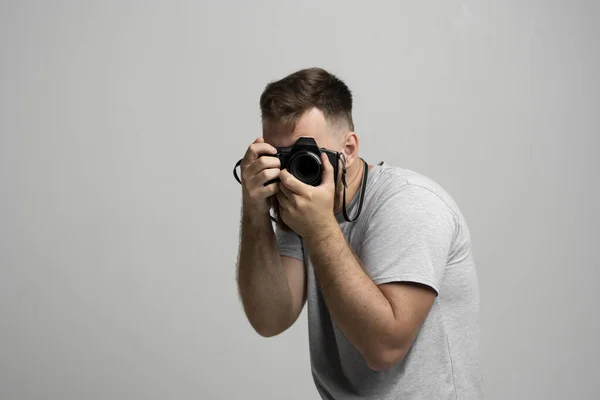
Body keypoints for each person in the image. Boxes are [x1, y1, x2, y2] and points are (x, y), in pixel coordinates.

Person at [235, 67, 482, 399]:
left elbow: (384, 348)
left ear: (348, 149)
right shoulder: (304, 207)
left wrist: (320, 229)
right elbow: (269, 318)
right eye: (279, 159)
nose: (293, 174)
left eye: (305, 155)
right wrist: (255, 211)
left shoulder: (410, 203)